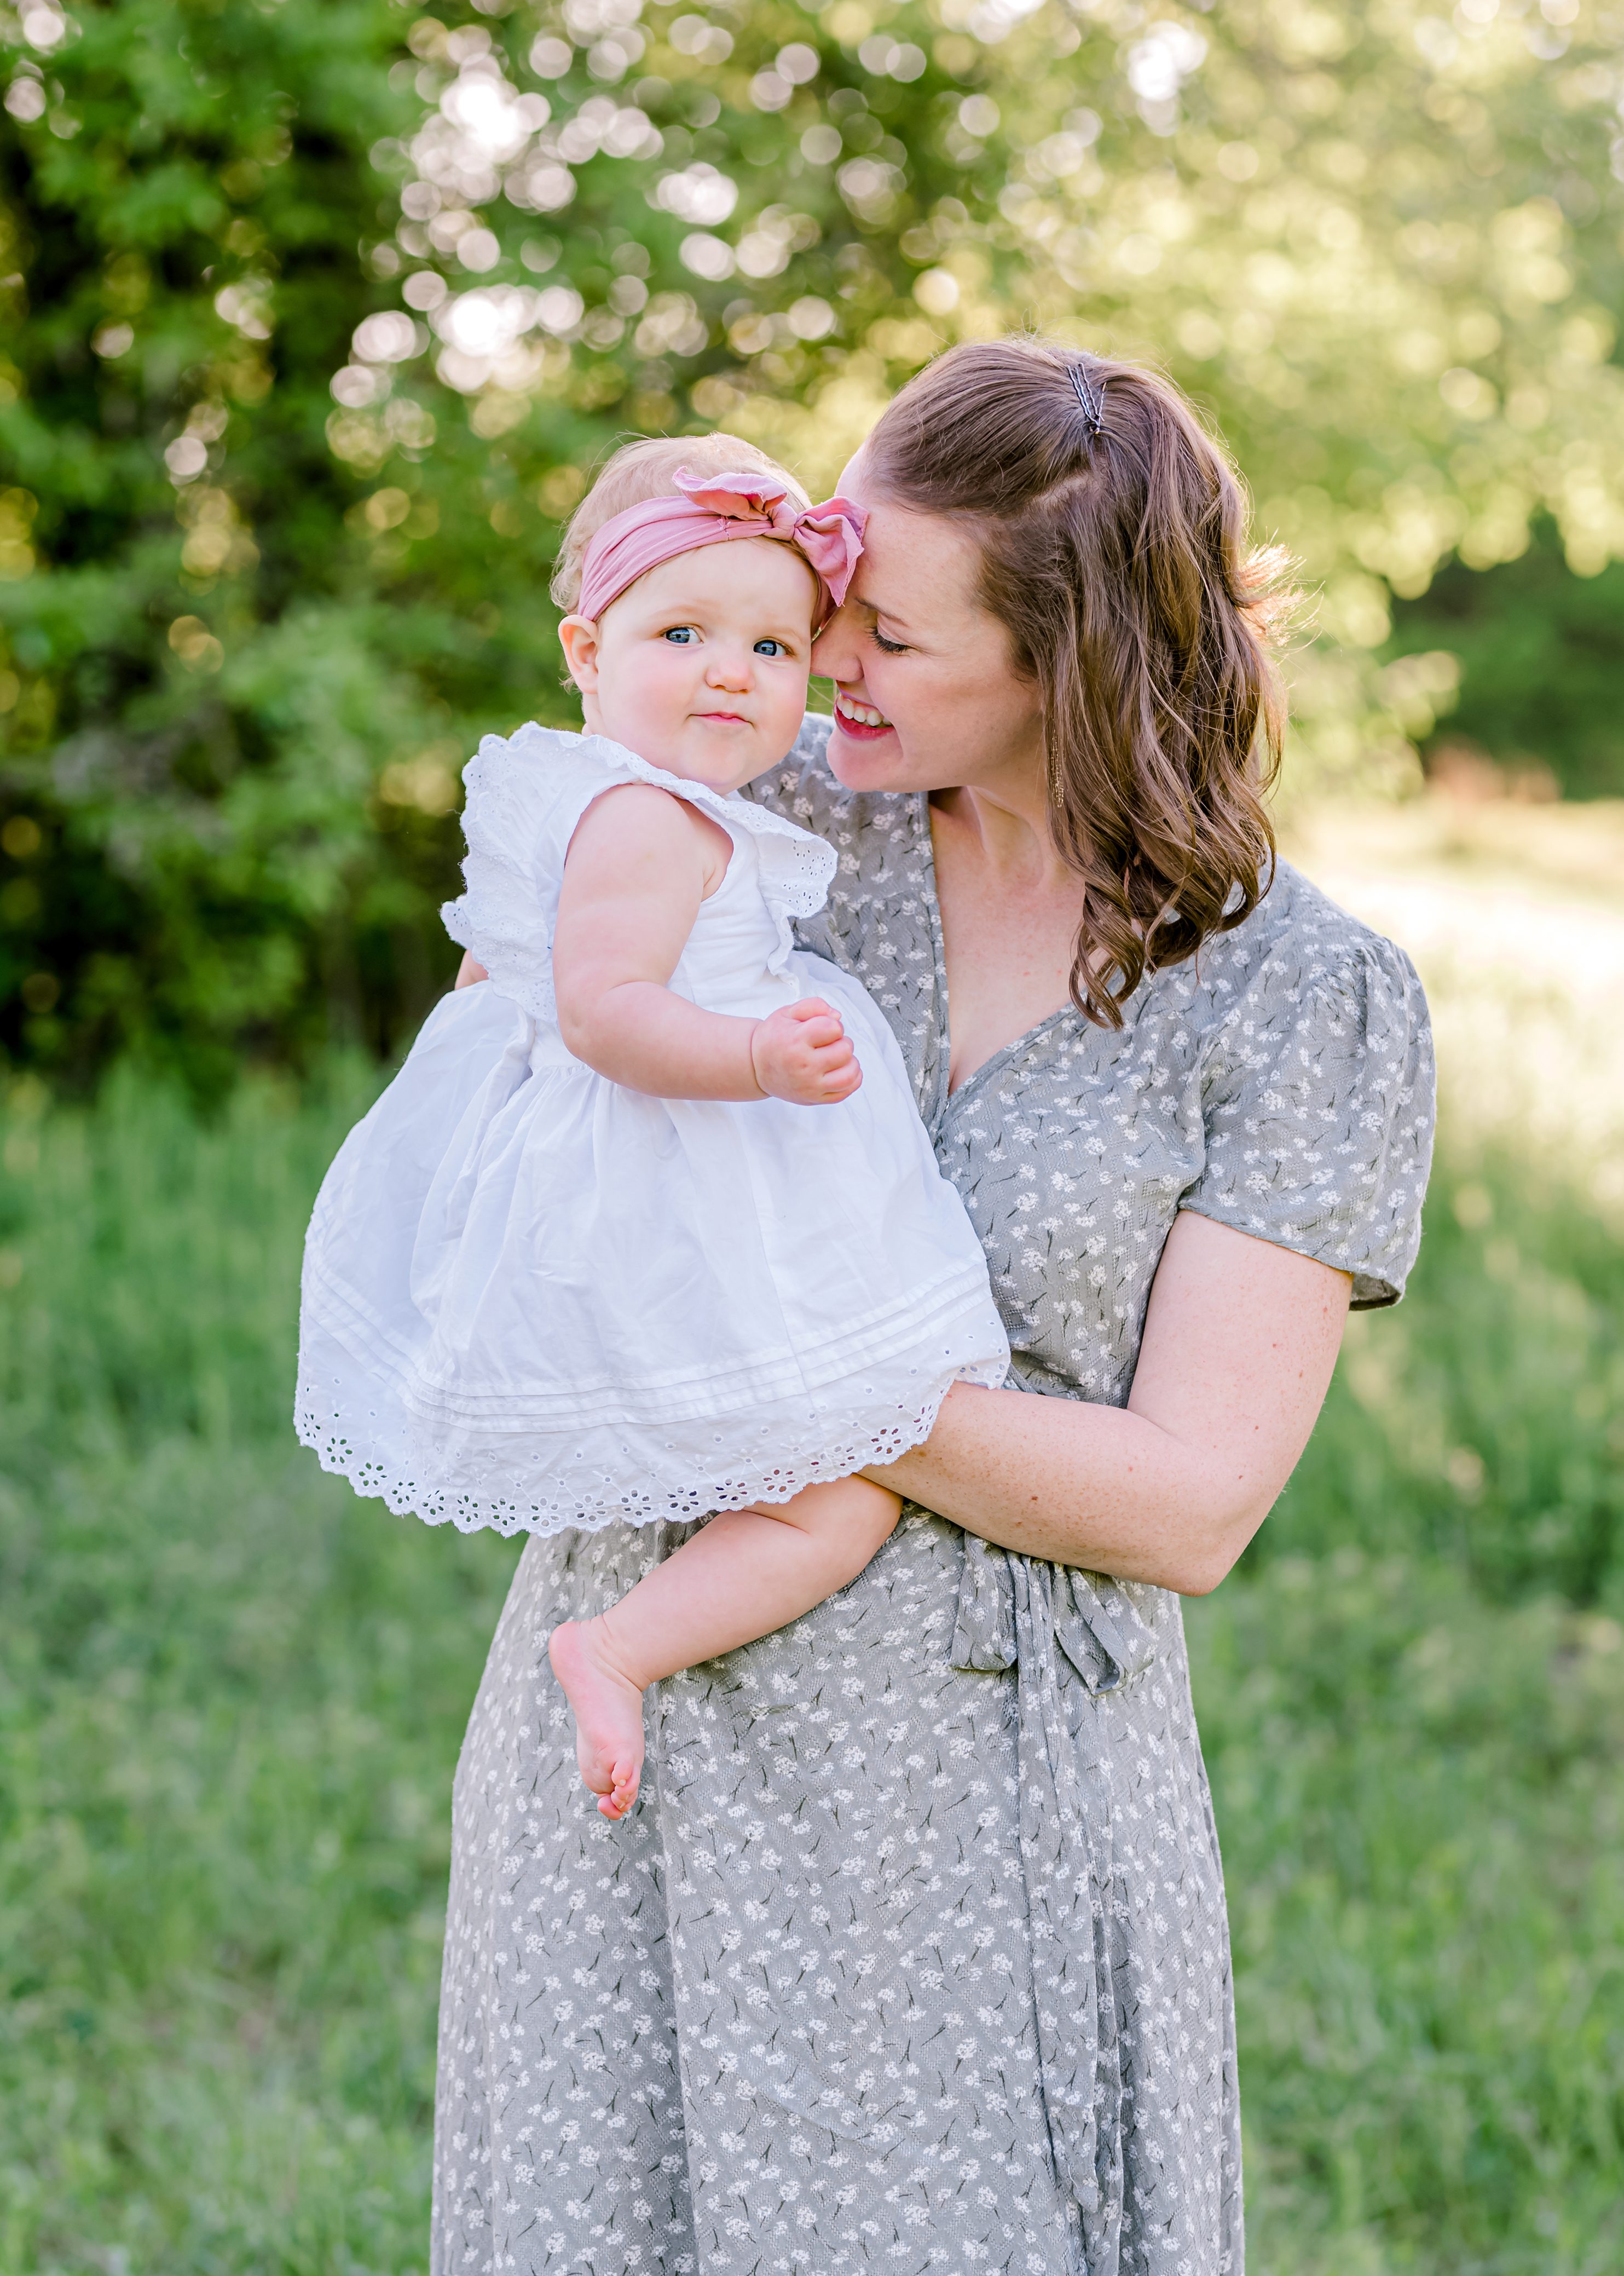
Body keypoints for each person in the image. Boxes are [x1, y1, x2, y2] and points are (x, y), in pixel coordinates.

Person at [430, 339, 1436, 2276]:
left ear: (1068, 668)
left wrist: (777, 1361)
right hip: (646, 1710)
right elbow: (502, 1130)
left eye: (883, 635)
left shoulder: (1295, 994)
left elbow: (1190, 1500)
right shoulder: (742, 824)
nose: (821, 662)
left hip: (989, 1805)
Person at [294, 434, 1009, 1821]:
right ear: (586, 648)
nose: (733, 672)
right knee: (848, 1488)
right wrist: (751, 1051)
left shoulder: (597, 795)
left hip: (655, 1160)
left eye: (773, 645)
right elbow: (608, 1012)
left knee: (823, 1473)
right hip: (688, 1165)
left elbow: (499, 974)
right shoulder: (649, 820)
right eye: (683, 633)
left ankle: (623, 1636)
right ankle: (617, 1645)